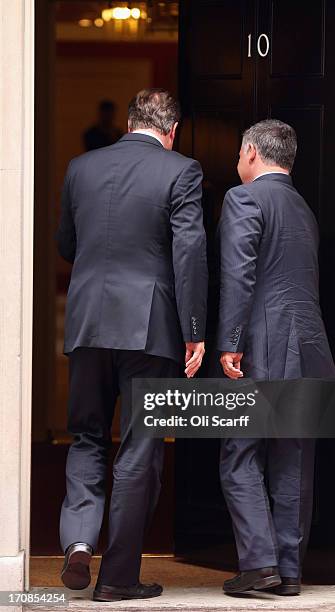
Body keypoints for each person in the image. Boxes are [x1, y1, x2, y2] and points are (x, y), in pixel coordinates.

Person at [56, 88, 208, 602]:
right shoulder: (181, 170)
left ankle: (78, 542)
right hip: (150, 328)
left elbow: (66, 244)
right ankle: (118, 577)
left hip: (87, 324)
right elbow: (188, 254)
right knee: (140, 450)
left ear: (128, 123)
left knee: (86, 437)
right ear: (171, 131)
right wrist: (195, 331)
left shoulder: (80, 168)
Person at [216, 120, 335, 596]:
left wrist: (229, 343)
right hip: (309, 347)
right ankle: (288, 571)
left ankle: (259, 563)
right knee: (294, 460)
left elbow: (239, 275)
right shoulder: (303, 207)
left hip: (264, 346)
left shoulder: (243, 198)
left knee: (238, 455)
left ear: (250, 152)